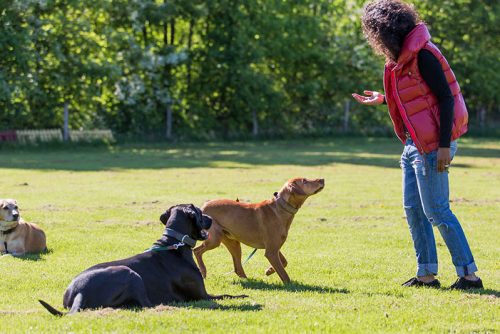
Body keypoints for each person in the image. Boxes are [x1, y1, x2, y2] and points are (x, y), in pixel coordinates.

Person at [352, 0, 483, 289]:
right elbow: (418, 100)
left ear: (387, 31)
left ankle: (469, 275)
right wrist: (384, 99)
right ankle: (426, 274)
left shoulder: (424, 55)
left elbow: (446, 98)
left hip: (434, 145)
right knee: (413, 209)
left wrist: (445, 147)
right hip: (413, 144)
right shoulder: (402, 60)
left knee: (437, 210)